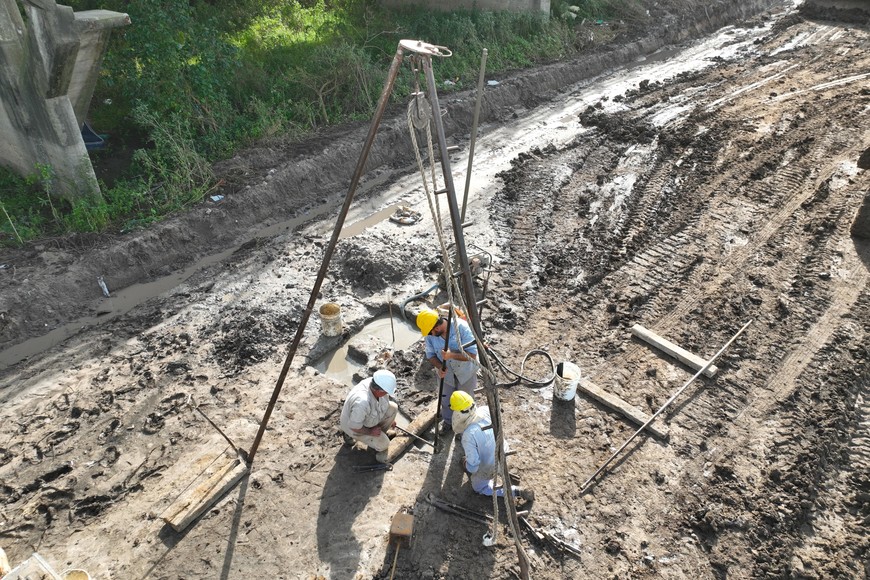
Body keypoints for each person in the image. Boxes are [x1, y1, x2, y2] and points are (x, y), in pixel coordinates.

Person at [450, 391, 534, 502]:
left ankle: (515, 491)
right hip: (503, 452)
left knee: (478, 487)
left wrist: (467, 465)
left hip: (488, 466)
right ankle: (501, 471)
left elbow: (474, 467)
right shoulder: (485, 410)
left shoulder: (468, 436)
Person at [416, 308, 478, 429]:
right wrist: (439, 367)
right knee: (446, 401)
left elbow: (472, 355)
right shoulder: (430, 335)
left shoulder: (462, 328)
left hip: (465, 373)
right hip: (446, 375)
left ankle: (466, 426)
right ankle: (448, 422)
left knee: (465, 401)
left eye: (431, 332)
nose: (430, 335)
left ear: (437, 328)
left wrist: (451, 355)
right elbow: (430, 355)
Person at [339, 369, 398, 463]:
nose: (387, 394)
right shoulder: (362, 402)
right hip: (353, 426)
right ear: (379, 391)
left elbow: (385, 404)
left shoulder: (376, 383)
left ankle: (378, 435)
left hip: (366, 417)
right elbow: (354, 426)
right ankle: (349, 435)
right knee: (384, 444)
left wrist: (391, 419)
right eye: (386, 392)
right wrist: (370, 432)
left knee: (393, 408)